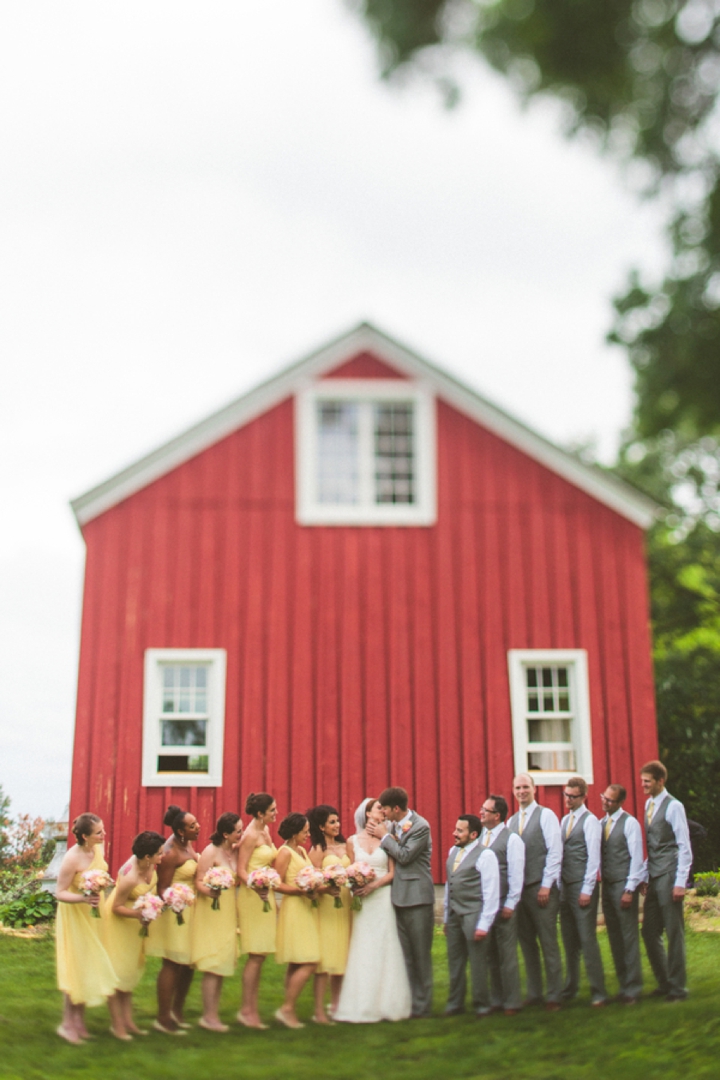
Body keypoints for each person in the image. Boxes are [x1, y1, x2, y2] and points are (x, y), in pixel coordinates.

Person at [335, 798, 412, 1023]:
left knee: (385, 945)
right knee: (363, 945)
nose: (384, 811)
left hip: (381, 897)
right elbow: (349, 868)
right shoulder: (352, 841)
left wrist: (372, 886)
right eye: (379, 808)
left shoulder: (389, 839)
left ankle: (387, 1003)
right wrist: (356, 883)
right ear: (368, 814)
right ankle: (362, 1002)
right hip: (361, 901)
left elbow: (391, 873)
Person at [368, 785, 435, 1019]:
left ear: (396, 808)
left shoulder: (420, 826)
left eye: (385, 809)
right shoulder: (395, 825)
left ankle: (423, 1006)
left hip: (417, 898)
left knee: (420, 954)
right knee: (405, 955)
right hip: (398, 897)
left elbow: (405, 855)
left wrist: (384, 837)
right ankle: (409, 1002)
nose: (383, 813)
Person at [55, 812, 118, 1044]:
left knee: (89, 963)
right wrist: (83, 898)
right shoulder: (72, 858)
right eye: (98, 832)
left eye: (102, 830)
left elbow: (100, 873)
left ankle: (79, 1021)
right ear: (84, 836)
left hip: (94, 913)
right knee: (76, 966)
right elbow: (59, 892)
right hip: (75, 914)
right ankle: (66, 1023)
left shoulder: (97, 849)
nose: (103, 835)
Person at [507, 773, 563, 1011]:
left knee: (548, 941)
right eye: (518, 788)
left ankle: (554, 995)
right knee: (527, 943)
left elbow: (554, 851)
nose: (521, 791)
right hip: (520, 892)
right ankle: (534, 992)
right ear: (513, 791)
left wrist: (546, 885)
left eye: (525, 787)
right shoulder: (511, 821)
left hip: (541, 888)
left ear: (534, 789)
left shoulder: (546, 815)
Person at [102, 830, 165, 1039]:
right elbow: (116, 907)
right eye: (159, 854)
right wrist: (139, 914)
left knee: (129, 971)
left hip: (135, 925)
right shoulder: (130, 878)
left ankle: (128, 1021)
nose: (162, 857)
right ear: (147, 857)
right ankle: (117, 1025)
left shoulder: (147, 865)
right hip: (120, 923)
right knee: (117, 973)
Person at [145, 804, 200, 1034]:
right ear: (180, 831)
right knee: (173, 962)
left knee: (188, 964)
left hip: (191, 908)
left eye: (196, 823)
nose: (198, 827)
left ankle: (177, 1011)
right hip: (175, 910)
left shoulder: (187, 845)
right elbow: (162, 888)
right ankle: (163, 1017)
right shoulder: (169, 853)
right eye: (192, 826)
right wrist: (175, 901)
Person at [640, 760, 692, 1001]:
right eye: (642, 781)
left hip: (670, 875)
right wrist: (643, 875)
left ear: (661, 781)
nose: (643, 785)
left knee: (674, 932)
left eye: (647, 782)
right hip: (653, 874)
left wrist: (680, 881)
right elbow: (652, 847)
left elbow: (684, 846)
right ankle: (665, 981)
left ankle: (678, 988)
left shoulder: (674, 807)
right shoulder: (648, 804)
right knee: (649, 931)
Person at [443, 814, 499, 1018]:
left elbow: (491, 892)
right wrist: (447, 918)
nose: (454, 833)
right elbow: (450, 885)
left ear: (473, 834)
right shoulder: (452, 852)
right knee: (455, 961)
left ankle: (482, 1005)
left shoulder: (486, 855)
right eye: (455, 829)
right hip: (455, 914)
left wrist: (484, 924)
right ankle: (455, 1003)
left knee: (478, 962)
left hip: (474, 914)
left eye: (460, 831)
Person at [191, 812, 242, 1032]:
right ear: (225, 834)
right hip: (212, 910)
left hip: (228, 909)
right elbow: (199, 880)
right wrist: (210, 891)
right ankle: (208, 1016)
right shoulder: (210, 852)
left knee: (222, 961)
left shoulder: (235, 851)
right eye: (238, 831)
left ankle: (213, 1013)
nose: (241, 833)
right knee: (213, 963)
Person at [559, 777, 606, 1007]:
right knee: (569, 940)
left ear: (583, 796)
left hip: (582, 886)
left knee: (587, 939)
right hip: (565, 887)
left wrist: (587, 889)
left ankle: (598, 991)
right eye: (566, 795)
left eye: (573, 796)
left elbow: (593, 858)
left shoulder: (590, 822)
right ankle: (571, 986)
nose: (568, 799)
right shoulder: (564, 820)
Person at [599, 784, 645, 1004]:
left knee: (628, 937)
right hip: (607, 886)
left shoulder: (630, 823)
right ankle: (623, 984)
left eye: (609, 800)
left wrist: (629, 889)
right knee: (615, 937)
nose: (605, 802)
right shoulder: (601, 824)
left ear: (619, 803)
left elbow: (636, 858)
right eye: (604, 798)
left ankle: (633, 989)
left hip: (623, 885)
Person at [273, 812, 321, 1029]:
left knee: (297, 961)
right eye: (305, 831)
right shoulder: (284, 853)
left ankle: (287, 1007)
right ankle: (287, 1009)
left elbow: (310, 874)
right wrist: (299, 891)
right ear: (294, 833)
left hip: (306, 907)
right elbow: (275, 883)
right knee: (310, 961)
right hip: (294, 908)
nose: (308, 835)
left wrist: (314, 887)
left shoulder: (300, 850)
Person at [479, 794, 525, 1015]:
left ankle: (512, 1002)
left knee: (507, 955)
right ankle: (496, 999)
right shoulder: (479, 837)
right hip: (485, 905)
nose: (481, 813)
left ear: (497, 816)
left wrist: (511, 903)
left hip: (504, 902)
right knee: (490, 954)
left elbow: (516, 873)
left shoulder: (512, 839)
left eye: (485, 810)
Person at [236, 792, 278, 1029]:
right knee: (255, 952)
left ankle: (252, 1008)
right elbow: (242, 870)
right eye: (272, 810)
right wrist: (256, 885)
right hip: (253, 896)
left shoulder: (266, 831)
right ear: (260, 813)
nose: (276, 813)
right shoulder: (251, 835)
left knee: (261, 954)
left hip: (266, 893)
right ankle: (246, 1009)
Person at [308, 804, 351, 1023]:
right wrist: (326, 888)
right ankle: (318, 1010)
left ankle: (337, 1005)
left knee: (342, 957)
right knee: (325, 959)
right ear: (321, 826)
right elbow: (311, 881)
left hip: (345, 905)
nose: (337, 825)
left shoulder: (345, 846)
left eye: (337, 821)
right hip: (326, 906)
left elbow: (353, 870)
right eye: (332, 822)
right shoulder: (318, 849)